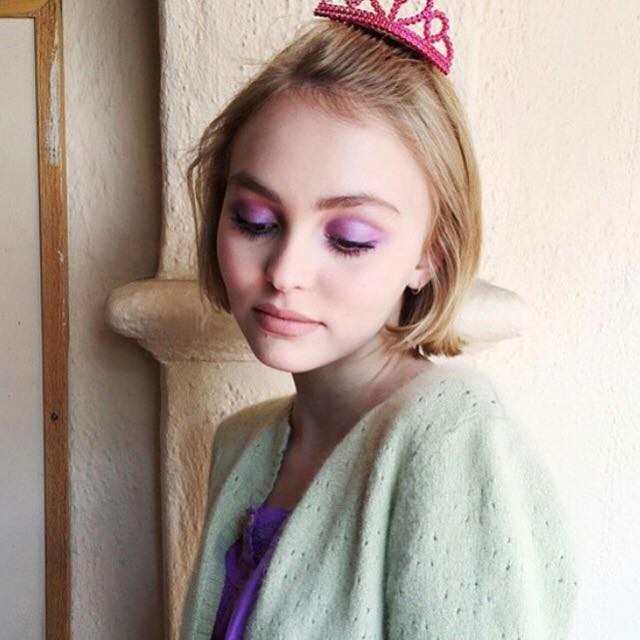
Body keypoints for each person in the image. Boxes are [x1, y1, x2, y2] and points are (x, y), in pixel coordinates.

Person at [180, 2, 579, 638]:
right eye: (255, 221)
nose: (285, 272)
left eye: (350, 238)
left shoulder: (452, 437)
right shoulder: (243, 443)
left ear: (430, 255)